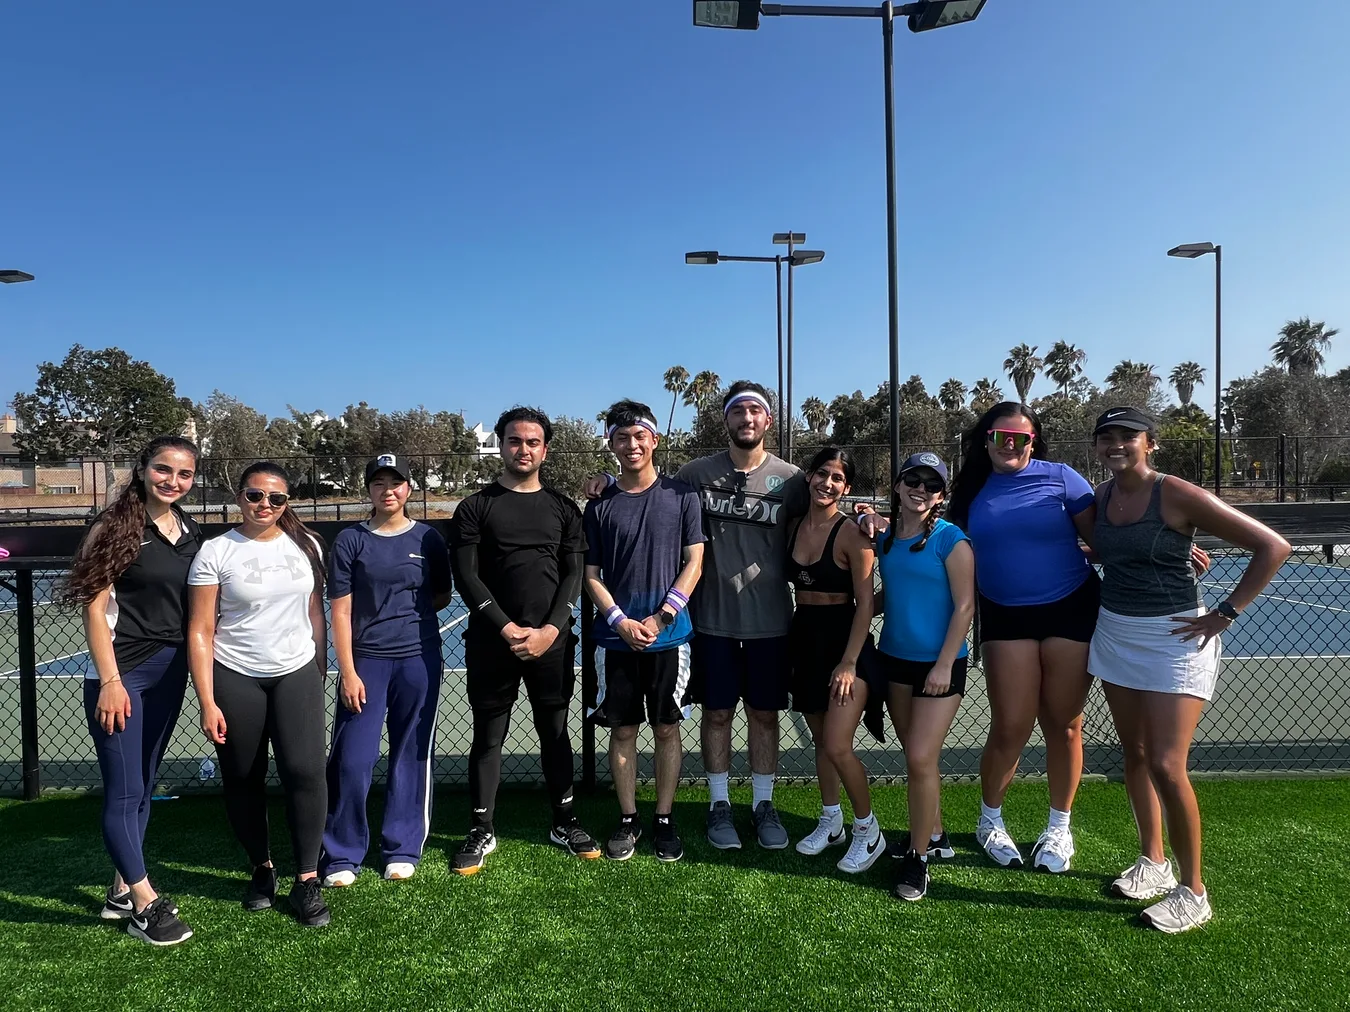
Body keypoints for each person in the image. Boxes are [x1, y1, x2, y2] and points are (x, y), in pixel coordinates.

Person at [1089, 407, 1289, 933]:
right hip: (1115, 631)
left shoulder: (1174, 492)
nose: (1116, 444)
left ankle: (1193, 891)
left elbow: (1273, 546)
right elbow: (1108, 548)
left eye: (1127, 436)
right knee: (1132, 754)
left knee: (1165, 764)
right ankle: (1153, 863)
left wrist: (1226, 612)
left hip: (1173, 637)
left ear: (1149, 443)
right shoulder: (1103, 496)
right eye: (1106, 437)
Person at [944, 402, 1099, 873]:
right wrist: (871, 520)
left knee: (1065, 724)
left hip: (1070, 608)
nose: (1010, 445)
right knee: (1011, 726)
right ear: (985, 439)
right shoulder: (970, 490)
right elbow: (932, 532)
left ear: (1033, 442)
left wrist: (1173, 548)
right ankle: (990, 820)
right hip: (1004, 617)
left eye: (1021, 438)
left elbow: (1107, 540)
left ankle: (1059, 827)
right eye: (1000, 436)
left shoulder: (1064, 479)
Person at [448, 407, 599, 874]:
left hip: (551, 643)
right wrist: (505, 627)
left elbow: (573, 574)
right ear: (502, 444)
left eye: (533, 442)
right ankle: (482, 827)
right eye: (515, 440)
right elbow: (466, 576)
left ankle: (564, 819)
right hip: (493, 643)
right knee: (488, 736)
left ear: (545, 449)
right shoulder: (475, 506)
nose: (524, 449)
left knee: (554, 732)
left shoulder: (563, 509)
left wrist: (551, 629)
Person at [63, 435, 201, 946]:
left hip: (171, 671)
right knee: (123, 789)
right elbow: (94, 609)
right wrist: (111, 682)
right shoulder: (114, 526)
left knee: (143, 783)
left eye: (184, 474)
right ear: (143, 469)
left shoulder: (189, 530)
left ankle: (120, 889)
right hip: (122, 675)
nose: (173, 481)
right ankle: (146, 903)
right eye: (163, 470)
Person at [660, 381, 809, 850]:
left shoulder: (794, 480)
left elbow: (824, 522)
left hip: (771, 623)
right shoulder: (694, 473)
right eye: (738, 411)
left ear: (768, 421)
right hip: (711, 622)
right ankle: (719, 804)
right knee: (718, 713)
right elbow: (651, 493)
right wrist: (603, 481)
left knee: (765, 715)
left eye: (756, 411)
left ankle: (764, 804)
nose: (747, 418)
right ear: (725, 420)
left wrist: (867, 516)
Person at [187, 462, 331, 927]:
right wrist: (207, 700)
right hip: (236, 675)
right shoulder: (215, 551)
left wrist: (317, 668)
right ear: (240, 497)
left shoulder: (306, 545)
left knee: (305, 771)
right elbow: (202, 630)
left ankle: (307, 879)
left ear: (287, 502)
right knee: (243, 775)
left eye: (276, 498)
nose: (264, 505)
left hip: (296, 672)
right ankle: (262, 869)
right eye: (254, 495)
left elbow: (315, 612)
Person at [319, 454, 453, 887]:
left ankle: (402, 847)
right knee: (352, 758)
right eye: (378, 483)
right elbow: (340, 611)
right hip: (367, 664)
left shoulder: (429, 539)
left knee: (410, 754)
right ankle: (341, 853)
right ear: (370, 491)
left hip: (419, 660)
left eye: (396, 483)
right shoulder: (350, 541)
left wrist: (405, 627)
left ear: (409, 489)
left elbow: (440, 596)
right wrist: (349, 669)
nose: (387, 490)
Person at [583, 400, 705, 861]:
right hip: (615, 641)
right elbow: (591, 574)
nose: (631, 445)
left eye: (639, 436)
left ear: (654, 440)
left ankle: (665, 819)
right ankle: (630, 819)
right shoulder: (598, 505)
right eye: (621, 437)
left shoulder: (683, 496)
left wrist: (660, 618)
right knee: (623, 732)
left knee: (668, 729)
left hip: (669, 638)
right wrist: (620, 620)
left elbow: (695, 562)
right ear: (611, 444)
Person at [870, 453, 975, 901]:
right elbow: (889, 592)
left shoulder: (952, 540)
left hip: (940, 666)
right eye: (912, 479)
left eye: (931, 485)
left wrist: (943, 664)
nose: (920, 489)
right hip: (894, 659)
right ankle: (935, 835)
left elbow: (966, 606)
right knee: (917, 758)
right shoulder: (887, 537)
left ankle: (918, 860)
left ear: (941, 496)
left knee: (919, 757)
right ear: (897, 485)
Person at [785, 447, 885, 874]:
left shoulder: (853, 534)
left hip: (847, 644)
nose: (828, 483)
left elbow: (865, 604)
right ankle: (832, 822)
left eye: (838, 478)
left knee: (838, 746)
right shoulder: (792, 525)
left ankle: (869, 830)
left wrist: (848, 662)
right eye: (822, 474)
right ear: (809, 477)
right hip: (804, 637)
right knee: (822, 742)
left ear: (846, 487)